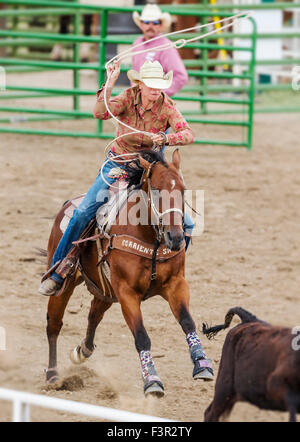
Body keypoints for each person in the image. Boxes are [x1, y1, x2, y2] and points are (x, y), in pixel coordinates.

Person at [38, 59, 194, 297]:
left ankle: (173, 269)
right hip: (119, 164)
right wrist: (109, 84)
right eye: (150, 84)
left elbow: (188, 133)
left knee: (188, 223)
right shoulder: (127, 98)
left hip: (151, 170)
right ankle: (60, 268)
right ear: (139, 84)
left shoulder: (167, 106)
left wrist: (166, 139)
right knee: (83, 212)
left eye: (159, 85)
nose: (155, 89)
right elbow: (100, 112)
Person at [131, 3, 188, 97]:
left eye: (155, 22)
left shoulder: (166, 46)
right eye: (146, 22)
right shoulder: (137, 44)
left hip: (154, 100)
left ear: (160, 25)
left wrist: (159, 94)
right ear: (141, 24)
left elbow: (181, 77)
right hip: (137, 99)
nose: (150, 26)